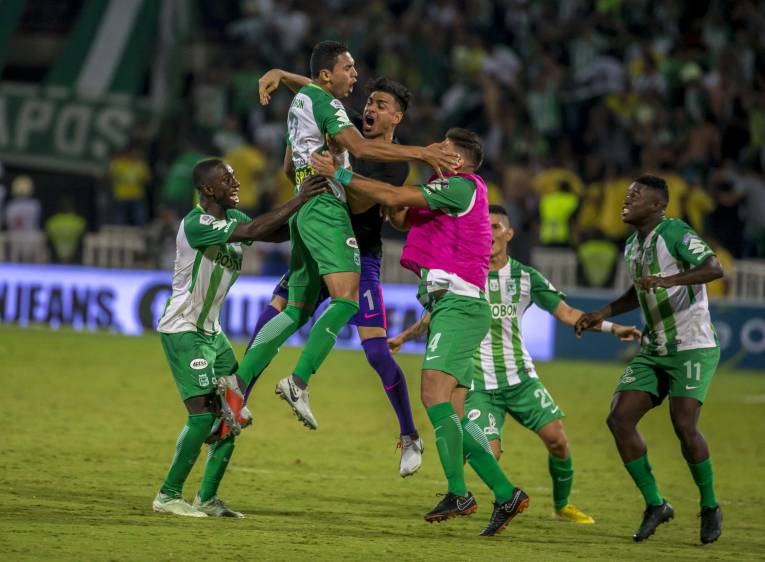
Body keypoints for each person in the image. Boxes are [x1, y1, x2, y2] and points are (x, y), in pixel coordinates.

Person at [223, 41, 460, 435]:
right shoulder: (335, 112)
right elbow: (360, 146)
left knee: (293, 310)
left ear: (397, 116)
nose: (356, 78)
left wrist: (282, 75)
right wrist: (423, 153)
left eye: (380, 103)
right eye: (349, 70)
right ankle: (297, 382)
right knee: (344, 300)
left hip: (307, 203)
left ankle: (235, 389)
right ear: (328, 74)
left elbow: (294, 150)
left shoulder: (312, 104)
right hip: (327, 215)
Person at [312, 128, 523, 537]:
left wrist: (341, 174)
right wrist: (387, 196)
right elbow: (401, 213)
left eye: (441, 149)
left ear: (456, 160)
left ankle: (459, 493)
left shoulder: (462, 187)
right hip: (452, 306)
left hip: (459, 304)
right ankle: (505, 492)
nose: (432, 151)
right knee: (454, 415)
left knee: (431, 395)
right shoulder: (444, 192)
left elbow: (395, 199)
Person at [389, 205, 642, 524]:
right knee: (488, 452)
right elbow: (438, 313)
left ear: (508, 234)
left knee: (557, 440)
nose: (491, 233)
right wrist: (404, 336)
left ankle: (561, 505)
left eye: (497, 227)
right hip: (480, 384)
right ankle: (500, 497)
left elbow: (566, 313)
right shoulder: (468, 270)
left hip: (520, 379)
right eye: (487, 227)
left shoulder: (525, 277)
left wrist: (612, 327)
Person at [246, 70, 423, 477]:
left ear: (396, 118)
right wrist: (278, 75)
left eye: (381, 105)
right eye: (370, 102)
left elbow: (362, 206)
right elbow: (318, 91)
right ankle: (238, 396)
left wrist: (341, 173)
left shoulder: (392, 167)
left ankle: (410, 436)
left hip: (361, 256)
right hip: (321, 239)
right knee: (276, 313)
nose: (370, 108)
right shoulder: (346, 138)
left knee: (377, 352)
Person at [152, 158, 328, 518]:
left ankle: (207, 498)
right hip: (183, 329)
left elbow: (272, 231)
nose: (235, 183)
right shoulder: (196, 223)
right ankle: (168, 495)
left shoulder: (232, 219)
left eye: (234, 177)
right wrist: (298, 199)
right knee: (203, 417)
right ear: (207, 190)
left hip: (212, 334)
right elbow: (252, 233)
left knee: (234, 410)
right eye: (226, 179)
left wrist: (314, 213)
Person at [575, 175, 724, 544]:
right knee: (619, 418)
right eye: (626, 195)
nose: (626, 200)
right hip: (654, 348)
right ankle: (656, 504)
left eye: (635, 196)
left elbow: (714, 268)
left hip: (692, 344)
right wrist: (604, 311)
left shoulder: (675, 232)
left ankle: (709, 506)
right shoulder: (632, 245)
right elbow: (636, 291)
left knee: (684, 425)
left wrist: (671, 281)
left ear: (658, 205)